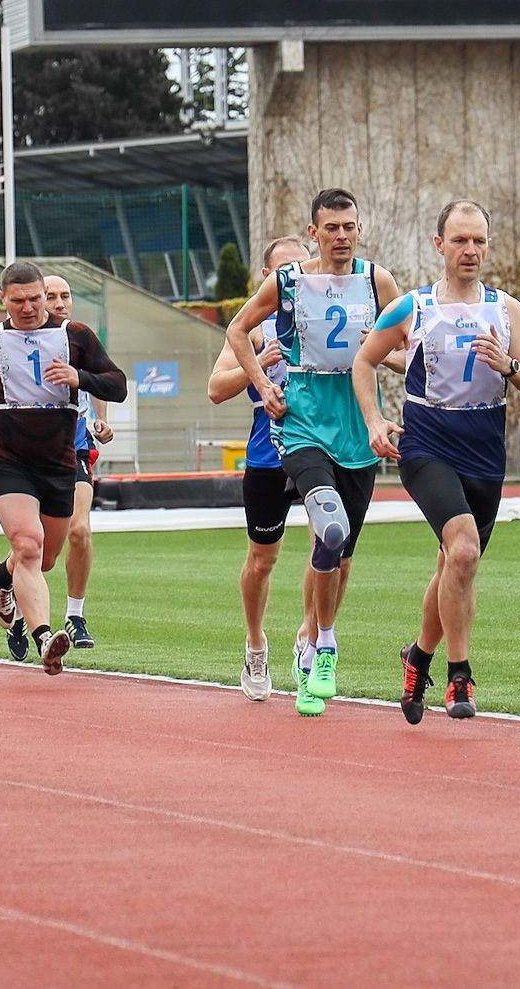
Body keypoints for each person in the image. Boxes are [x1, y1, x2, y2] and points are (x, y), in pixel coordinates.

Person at [352, 201, 520, 724]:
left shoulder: (507, 312)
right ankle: (460, 676)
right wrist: (374, 421)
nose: (471, 250)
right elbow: (365, 360)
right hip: (427, 443)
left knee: (453, 566)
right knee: (462, 553)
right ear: (439, 245)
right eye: (460, 240)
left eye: (479, 240)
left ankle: (418, 656)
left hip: (484, 448)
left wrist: (507, 365)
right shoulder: (413, 308)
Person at [225, 189, 401, 716]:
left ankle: (309, 639)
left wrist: (382, 348)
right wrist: (262, 381)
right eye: (332, 228)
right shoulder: (287, 282)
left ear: (360, 229)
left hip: (357, 429)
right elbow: (237, 330)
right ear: (314, 233)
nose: (341, 236)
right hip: (301, 425)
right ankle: (325, 644)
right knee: (327, 527)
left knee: (339, 555)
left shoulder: (379, 282)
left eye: (349, 226)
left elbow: (410, 349)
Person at [0, 260, 127, 675]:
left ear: (45, 296)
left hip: (60, 460)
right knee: (28, 544)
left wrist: (79, 377)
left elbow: (117, 384)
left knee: (43, 559)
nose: (27, 308)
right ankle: (45, 636)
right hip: (8, 458)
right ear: (3, 299)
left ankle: (2, 576)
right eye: (18, 301)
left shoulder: (75, 336)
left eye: (34, 299)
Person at [207, 235, 311, 700]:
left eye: (301, 266)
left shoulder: (329, 315)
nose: (294, 275)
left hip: (323, 446)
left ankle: (311, 639)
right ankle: (255, 643)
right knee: (262, 559)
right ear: (267, 276)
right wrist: (259, 367)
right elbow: (215, 388)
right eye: (283, 268)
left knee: (330, 547)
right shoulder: (252, 328)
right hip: (269, 453)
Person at [42, 273, 112, 647]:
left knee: (80, 530)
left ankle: (75, 616)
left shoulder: (82, 339)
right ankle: (10, 589)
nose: (59, 302)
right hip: (32, 455)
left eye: (65, 295)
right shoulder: (21, 339)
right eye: (51, 296)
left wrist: (102, 418)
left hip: (77, 447)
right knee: (39, 547)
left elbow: (100, 380)